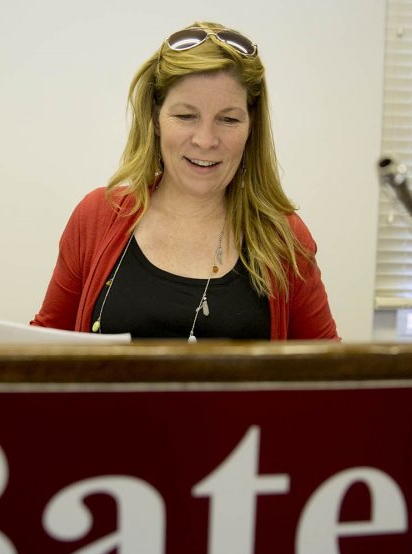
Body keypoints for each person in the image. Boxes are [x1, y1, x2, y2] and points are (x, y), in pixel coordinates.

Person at [31, 22, 338, 341]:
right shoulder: (96, 216)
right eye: (186, 116)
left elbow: (332, 376)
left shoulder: (284, 238)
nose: (205, 140)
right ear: (155, 118)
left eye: (228, 119)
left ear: (251, 128)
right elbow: (41, 351)